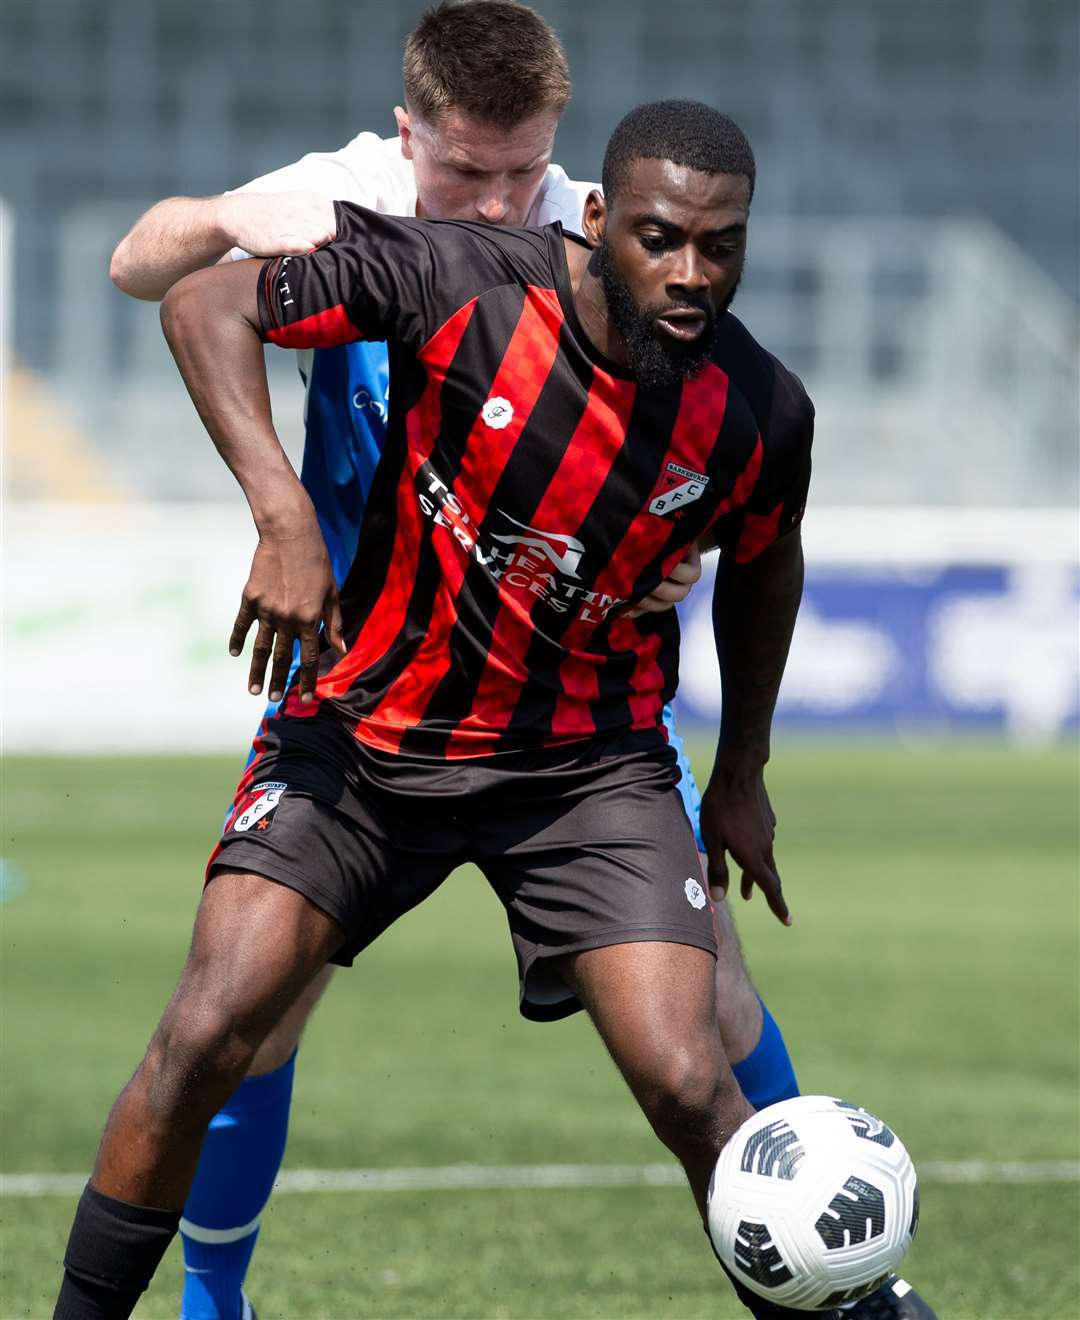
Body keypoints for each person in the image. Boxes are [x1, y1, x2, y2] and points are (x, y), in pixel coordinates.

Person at [56, 99, 925, 1320]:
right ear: (599, 221)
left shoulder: (762, 409)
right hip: (366, 737)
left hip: (585, 770)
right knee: (210, 1029)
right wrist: (284, 515)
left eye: (719, 247)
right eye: (660, 238)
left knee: (691, 1075)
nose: (689, 273)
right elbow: (203, 299)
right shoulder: (451, 272)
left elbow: (766, 560)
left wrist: (743, 771)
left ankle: (852, 1304)